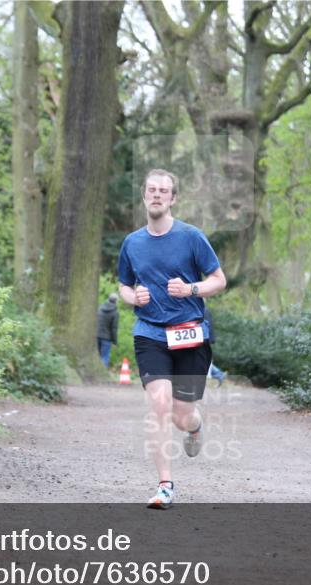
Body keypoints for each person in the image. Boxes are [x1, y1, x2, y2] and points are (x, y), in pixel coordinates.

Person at [118, 168, 227, 509]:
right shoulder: (132, 243)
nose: (156, 195)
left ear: (173, 198)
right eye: (151, 189)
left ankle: (195, 428)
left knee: (182, 415)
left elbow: (219, 279)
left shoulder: (191, 237)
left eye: (163, 191)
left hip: (190, 332)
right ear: (143, 195)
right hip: (149, 333)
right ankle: (165, 484)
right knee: (159, 405)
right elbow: (122, 284)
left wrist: (191, 288)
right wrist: (133, 297)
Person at [96, 293, 119, 368]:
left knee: (97, 356)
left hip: (96, 335)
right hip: (106, 338)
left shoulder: (100, 308)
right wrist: (115, 342)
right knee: (105, 357)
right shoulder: (115, 313)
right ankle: (102, 374)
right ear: (116, 301)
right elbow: (114, 329)